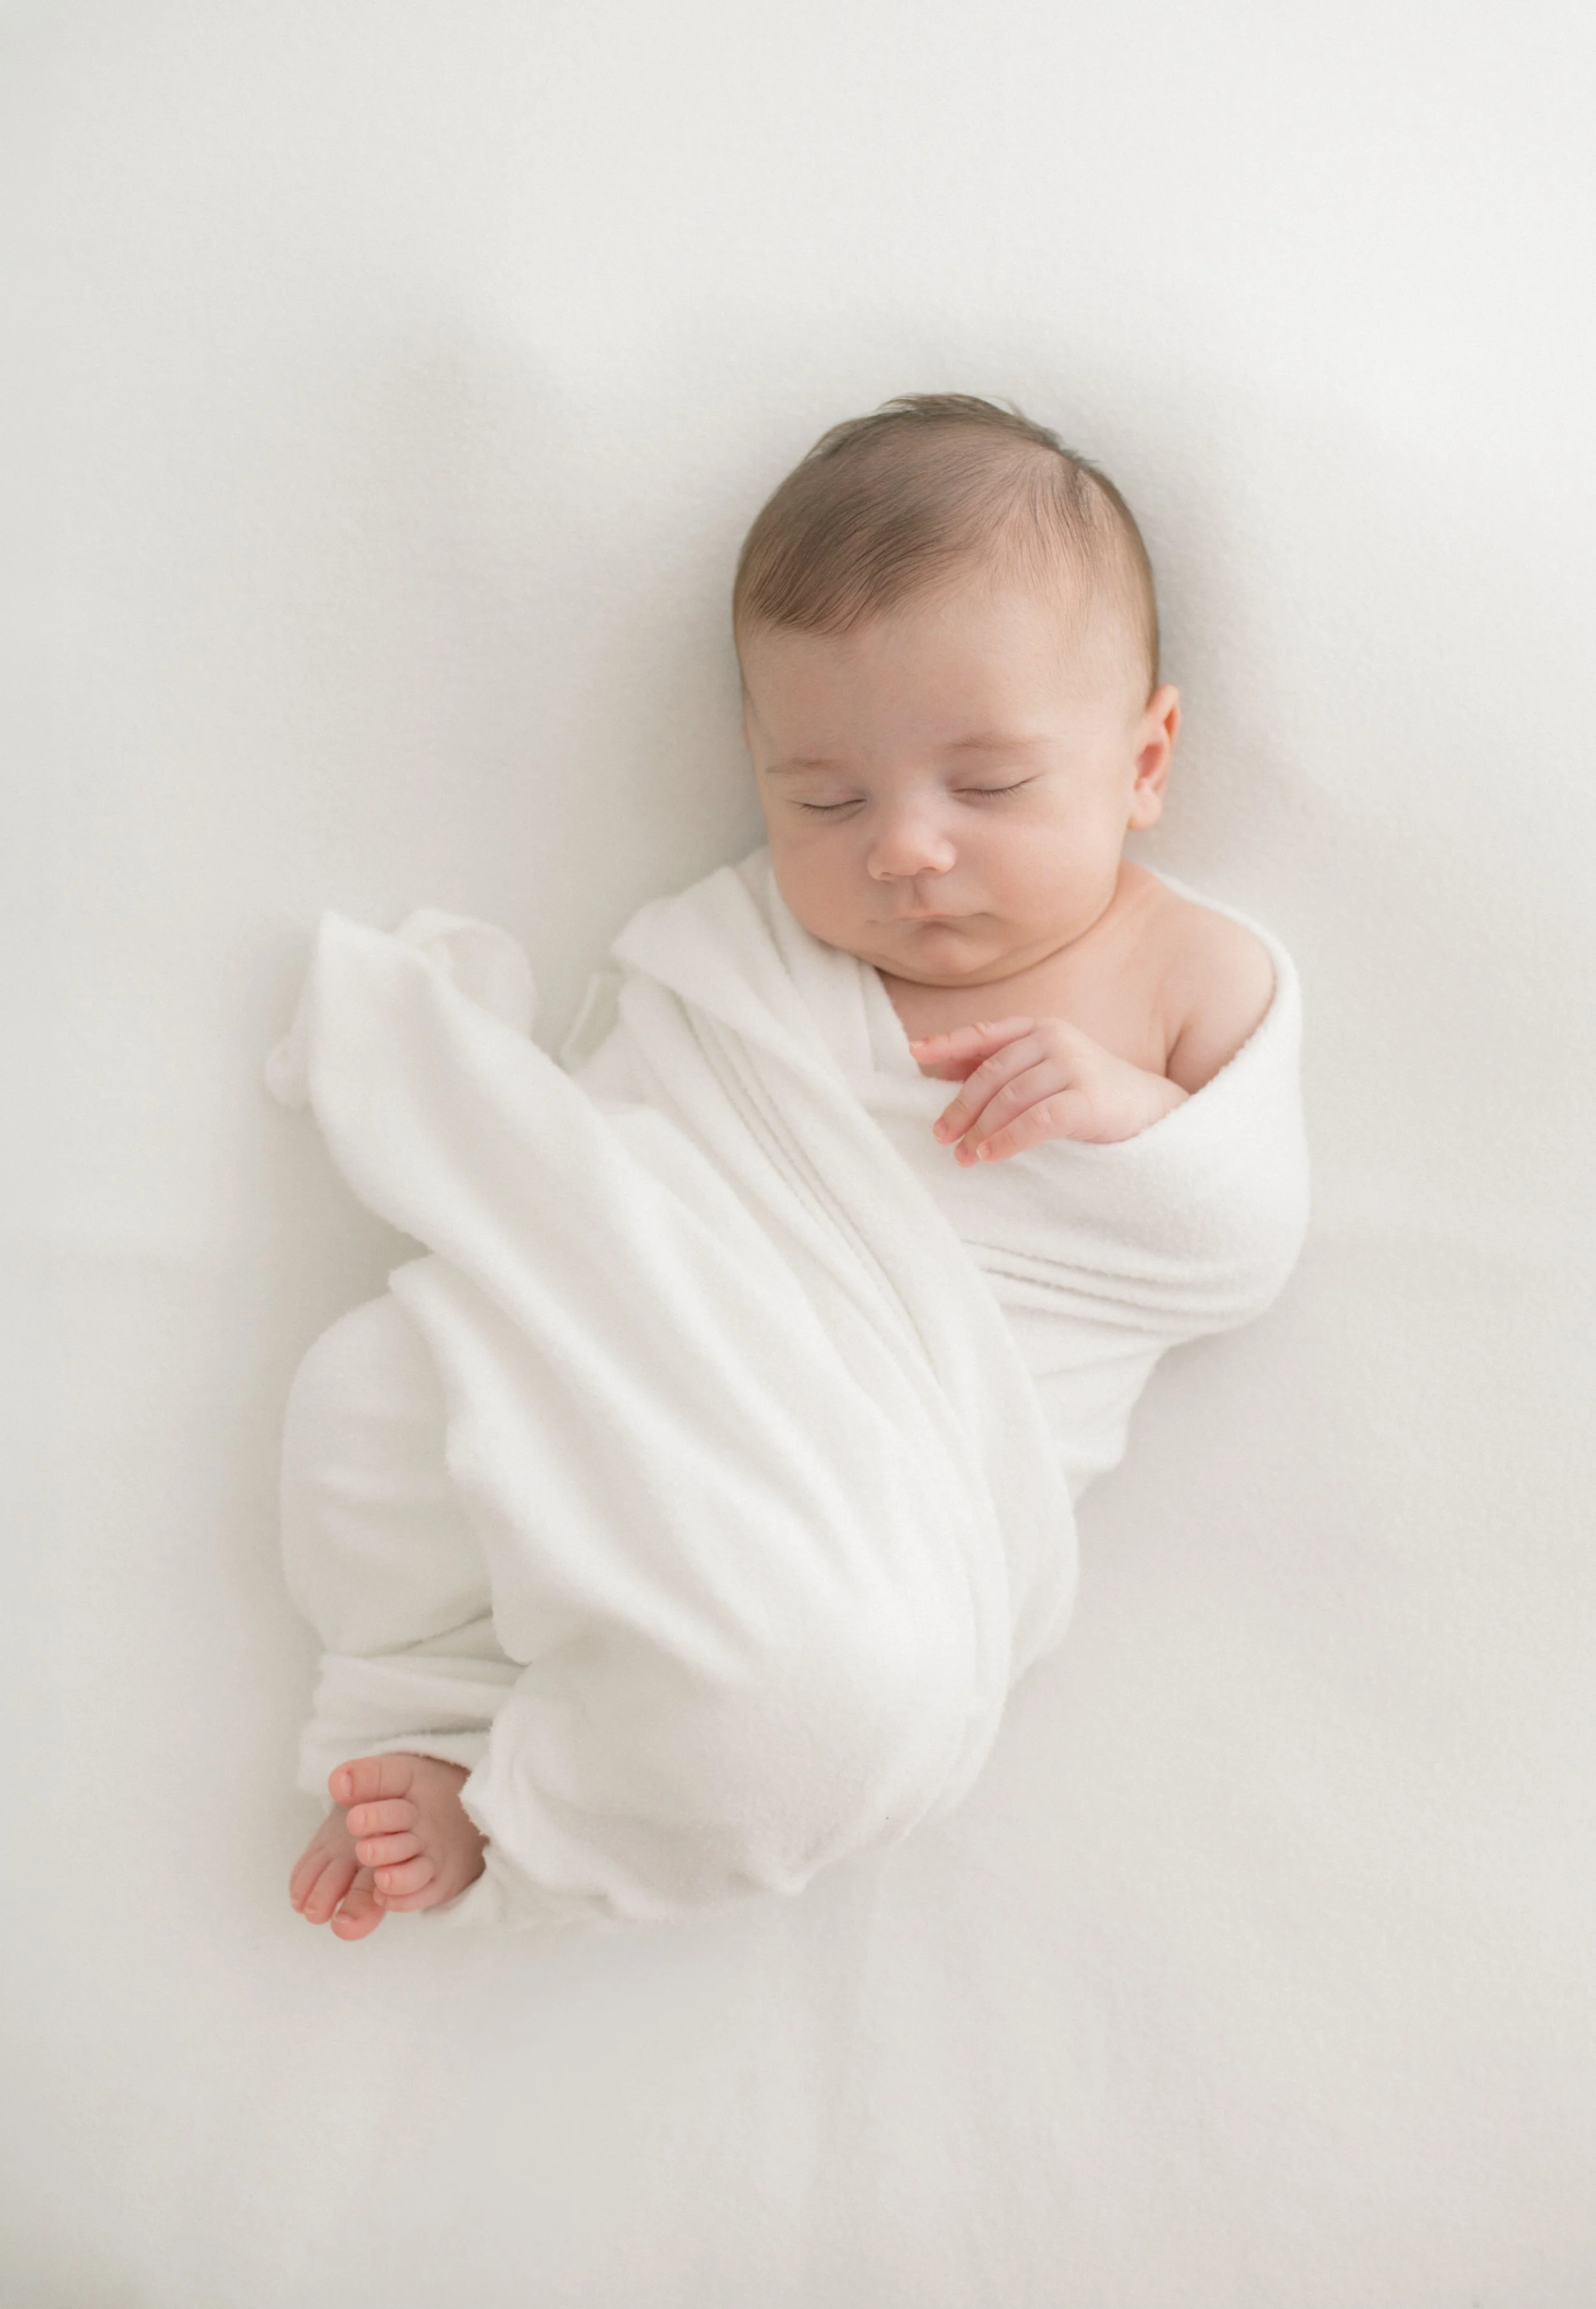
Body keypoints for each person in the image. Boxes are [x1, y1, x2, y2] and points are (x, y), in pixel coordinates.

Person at [287, 395, 1304, 1938]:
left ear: (1142, 756)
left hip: (877, 1507)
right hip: (672, 1371)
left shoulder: (1185, 973)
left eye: (987, 785)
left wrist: (1125, 1124)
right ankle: (427, 1696)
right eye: (822, 796)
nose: (900, 845)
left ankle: (530, 1811)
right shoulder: (753, 948)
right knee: (375, 1390)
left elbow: (1239, 1252)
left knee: (826, 1703)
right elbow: (629, 1155)